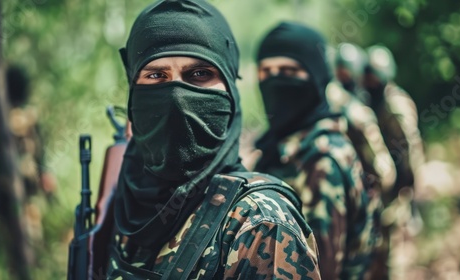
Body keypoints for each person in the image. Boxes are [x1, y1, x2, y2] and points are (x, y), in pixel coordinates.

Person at [106, 1, 321, 279]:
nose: (176, 97)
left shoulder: (259, 225)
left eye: (199, 74)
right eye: (156, 75)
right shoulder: (127, 201)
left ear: (230, 90)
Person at [253, 22, 377, 280]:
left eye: (289, 70)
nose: (276, 80)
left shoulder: (320, 161)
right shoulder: (283, 147)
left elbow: (318, 271)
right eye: (266, 71)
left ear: (317, 75)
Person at [363, 45, 425, 279]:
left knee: (390, 256)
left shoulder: (394, 105)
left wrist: (408, 187)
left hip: (395, 186)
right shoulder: (374, 100)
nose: (370, 81)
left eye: (374, 76)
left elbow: (410, 148)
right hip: (381, 184)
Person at [331, 43, 397, 195]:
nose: (344, 79)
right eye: (340, 75)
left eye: (346, 74)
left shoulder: (365, 99)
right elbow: (385, 174)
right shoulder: (351, 107)